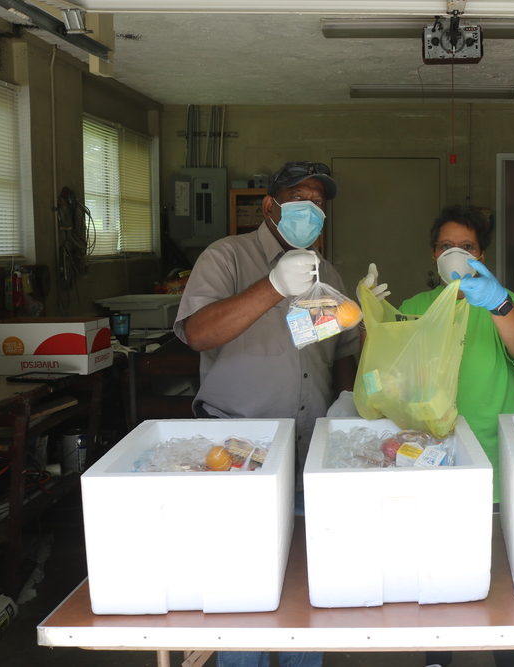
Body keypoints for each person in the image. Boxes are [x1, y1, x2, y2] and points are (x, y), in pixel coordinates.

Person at [175, 161, 358, 667]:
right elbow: (198, 333)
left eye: (320, 201)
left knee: (308, 578)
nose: (312, 209)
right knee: (242, 586)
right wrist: (273, 286)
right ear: (270, 205)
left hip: (310, 446)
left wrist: (345, 404)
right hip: (238, 448)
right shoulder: (226, 256)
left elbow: (339, 350)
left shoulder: (329, 272)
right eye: (300, 198)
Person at [363, 204, 514, 667]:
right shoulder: (417, 309)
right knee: (438, 561)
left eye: (468, 247)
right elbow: (385, 377)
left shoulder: (501, 302)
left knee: (501, 571)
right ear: (432, 253)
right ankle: (439, 655)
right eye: (447, 246)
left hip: (497, 456)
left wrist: (499, 303)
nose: (456, 254)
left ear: (483, 255)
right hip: (436, 457)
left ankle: (508, 656)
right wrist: (374, 318)